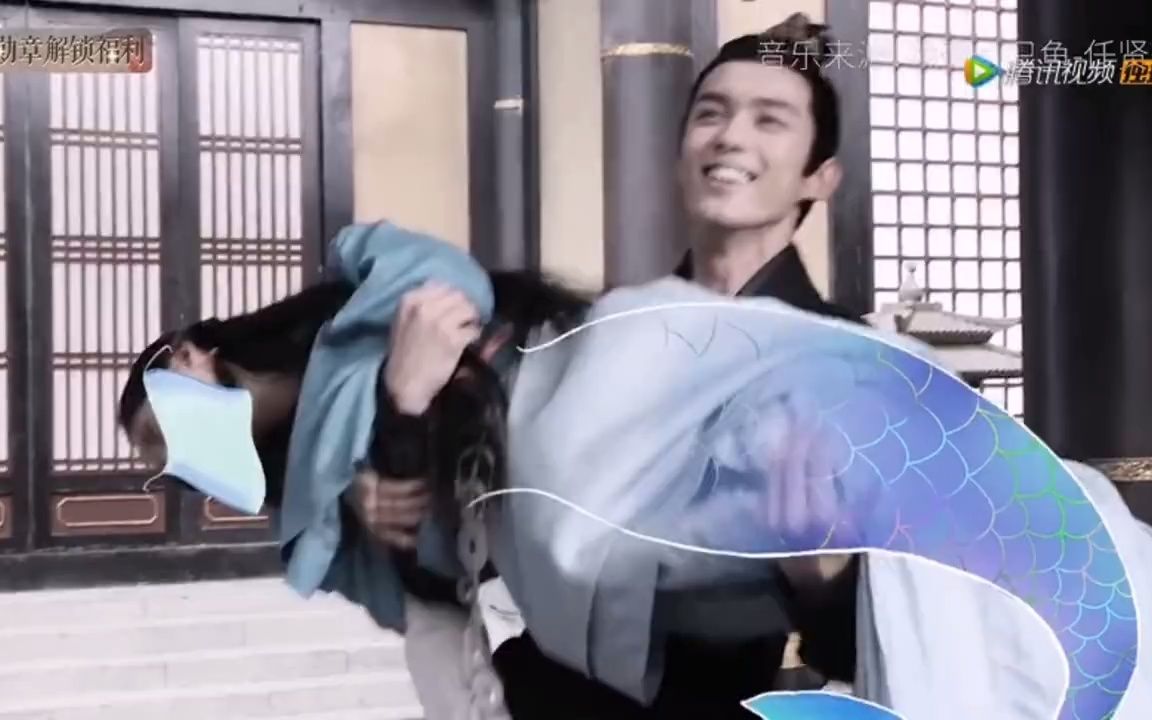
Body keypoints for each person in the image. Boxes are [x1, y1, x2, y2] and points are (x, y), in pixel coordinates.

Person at [356, 13, 862, 717]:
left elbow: (878, 650)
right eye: (710, 113)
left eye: (769, 120)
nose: (730, 136)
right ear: (681, 152)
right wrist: (404, 414)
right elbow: (452, 569)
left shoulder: (850, 367)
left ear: (820, 177)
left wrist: (825, 576)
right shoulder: (587, 342)